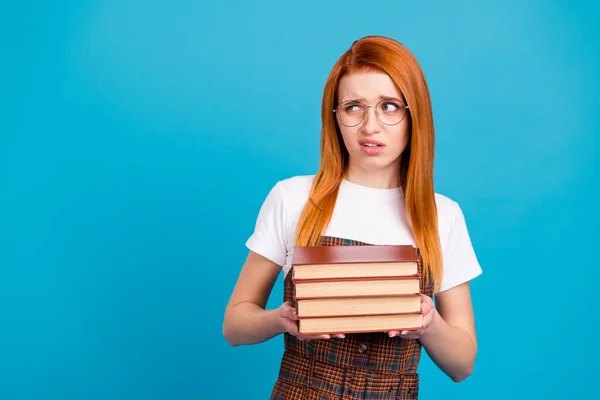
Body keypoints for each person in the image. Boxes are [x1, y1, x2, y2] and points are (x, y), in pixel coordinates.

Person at [223, 35, 482, 399]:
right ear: (335, 116)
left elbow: (462, 365)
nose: (370, 127)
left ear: (414, 114)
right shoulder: (293, 197)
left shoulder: (443, 216)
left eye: (389, 106)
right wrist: (281, 319)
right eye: (353, 107)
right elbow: (234, 325)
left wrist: (429, 324)